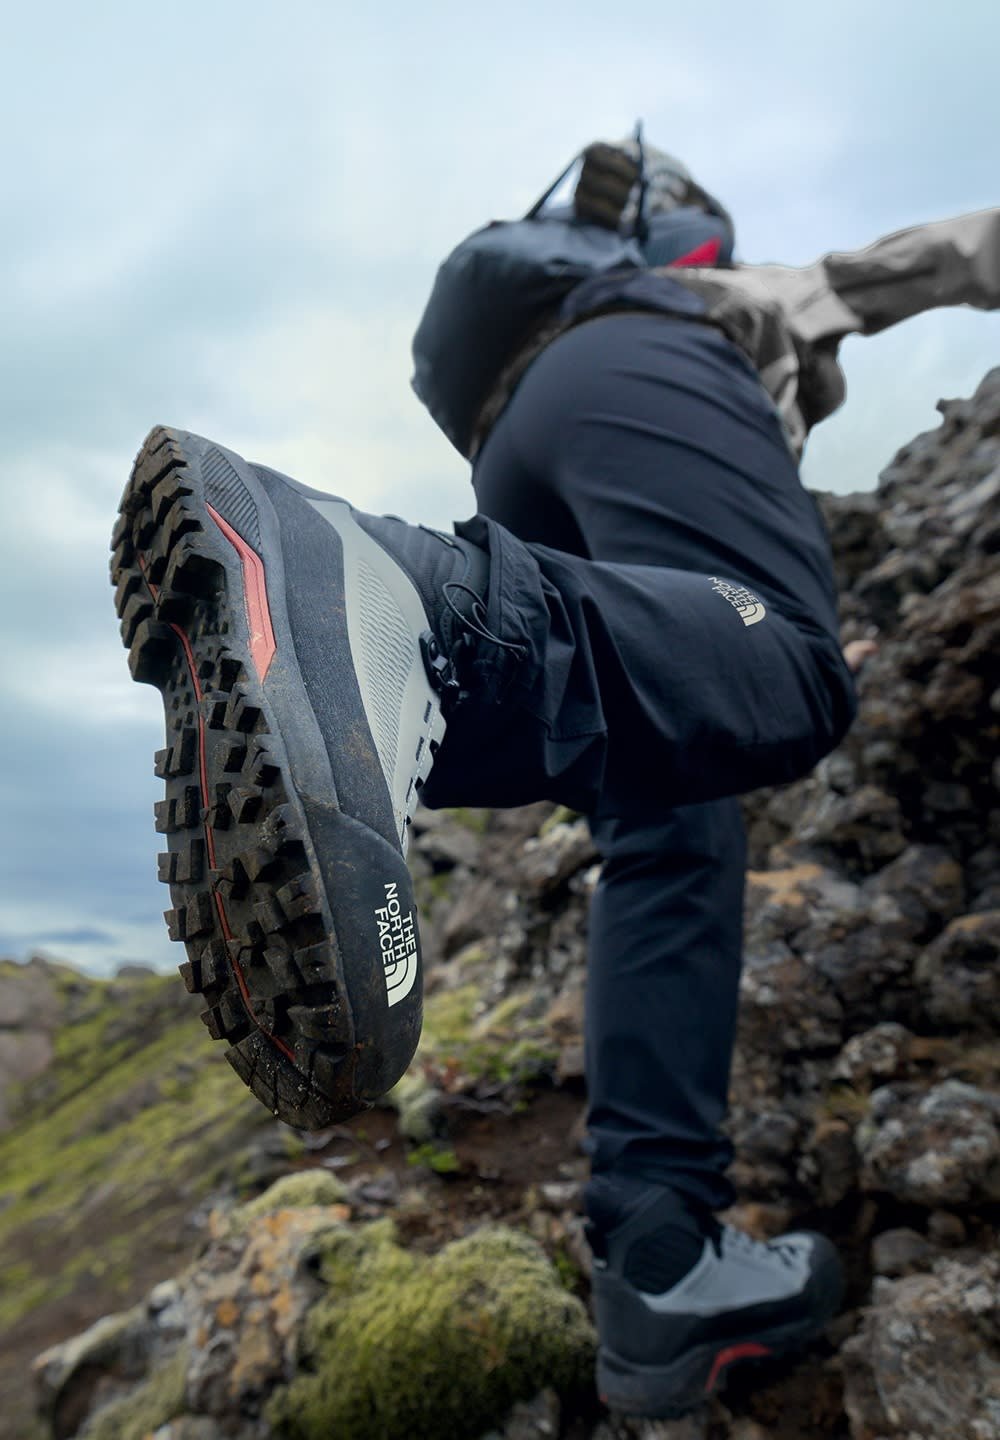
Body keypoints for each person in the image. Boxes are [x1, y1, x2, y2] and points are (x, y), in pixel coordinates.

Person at [111, 139, 1000, 1418]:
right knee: (796, 671)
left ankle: (660, 1257)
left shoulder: (546, 328)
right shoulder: (721, 293)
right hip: (637, 377)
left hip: (517, 450)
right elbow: (920, 262)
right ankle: (399, 596)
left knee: (672, 800)